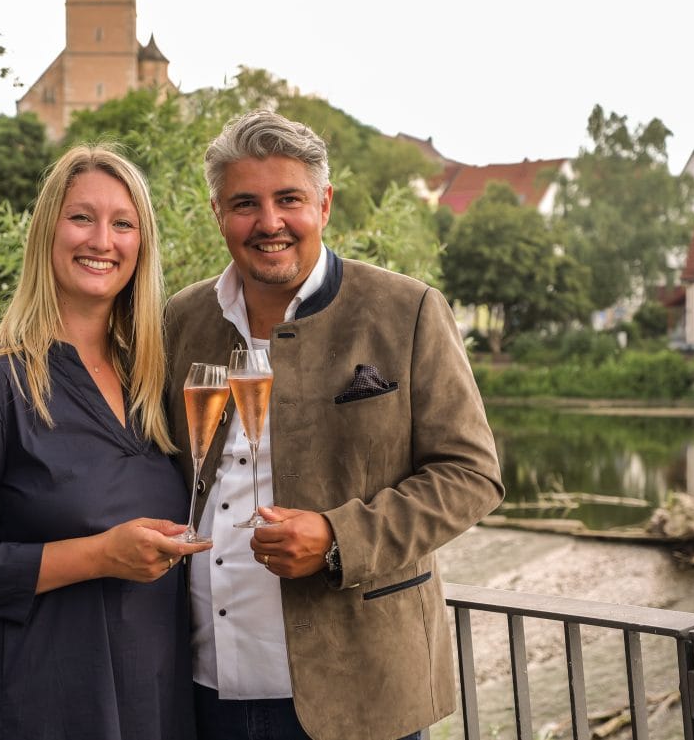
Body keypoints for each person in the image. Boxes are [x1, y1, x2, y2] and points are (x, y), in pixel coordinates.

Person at [163, 111, 504, 740]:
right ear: (218, 215)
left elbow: (471, 475)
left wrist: (338, 536)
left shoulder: (407, 310)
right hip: (203, 687)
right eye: (245, 203)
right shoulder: (180, 320)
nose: (269, 223)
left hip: (359, 691)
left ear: (324, 204)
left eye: (288, 198)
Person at [0, 145, 210, 740]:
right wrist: (97, 556)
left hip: (156, 697)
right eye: (81, 217)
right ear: (48, 231)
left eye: (124, 223)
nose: (102, 240)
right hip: (41, 701)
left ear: (141, 247)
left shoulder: (154, 381)